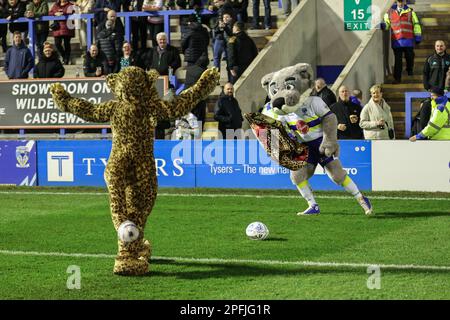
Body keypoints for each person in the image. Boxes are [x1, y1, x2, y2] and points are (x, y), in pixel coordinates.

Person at [381, 0, 422, 84]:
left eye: (402, 1)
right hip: (397, 41)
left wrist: (418, 36)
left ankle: (409, 69)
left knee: (410, 56)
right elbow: (387, 24)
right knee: (398, 61)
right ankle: (397, 79)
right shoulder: (389, 12)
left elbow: (416, 24)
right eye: (399, 1)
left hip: (408, 40)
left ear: (404, 2)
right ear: (397, 2)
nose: (400, 3)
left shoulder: (411, 12)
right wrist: (383, 26)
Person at [184, 53, 209, 125]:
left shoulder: (189, 69)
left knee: (190, 119)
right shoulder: (204, 72)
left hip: (188, 97)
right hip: (199, 100)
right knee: (199, 120)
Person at [96, 9, 124, 74]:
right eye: (111, 16)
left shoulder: (119, 25)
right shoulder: (101, 26)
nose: (113, 18)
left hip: (117, 55)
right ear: (107, 17)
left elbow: (122, 36)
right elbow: (98, 40)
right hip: (106, 55)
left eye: (114, 16)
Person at [49, 0, 75, 65]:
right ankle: (64, 57)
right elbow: (50, 12)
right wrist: (55, 13)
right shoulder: (56, 4)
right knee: (57, 44)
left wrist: (62, 13)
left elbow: (71, 11)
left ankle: (66, 59)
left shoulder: (70, 4)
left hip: (67, 26)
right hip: (57, 27)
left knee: (67, 44)